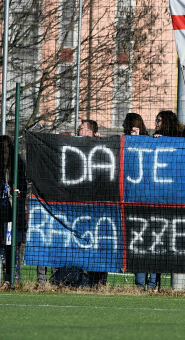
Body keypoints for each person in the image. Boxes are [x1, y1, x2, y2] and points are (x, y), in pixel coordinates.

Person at [121, 113, 160, 291]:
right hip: (133, 202)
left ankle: (151, 283)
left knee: (152, 244)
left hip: (150, 201)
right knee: (137, 245)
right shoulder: (123, 143)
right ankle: (140, 282)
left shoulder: (150, 142)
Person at [77, 120, 108, 287]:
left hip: (98, 207)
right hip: (82, 206)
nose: (79, 130)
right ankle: (85, 281)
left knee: (100, 244)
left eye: (81, 128)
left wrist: (99, 143)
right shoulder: (74, 147)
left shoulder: (100, 148)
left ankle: (100, 281)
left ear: (90, 132)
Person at [0, 136, 26, 287]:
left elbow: (22, 188)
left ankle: (10, 277)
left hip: (9, 211)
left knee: (10, 244)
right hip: (0, 210)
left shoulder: (16, 165)